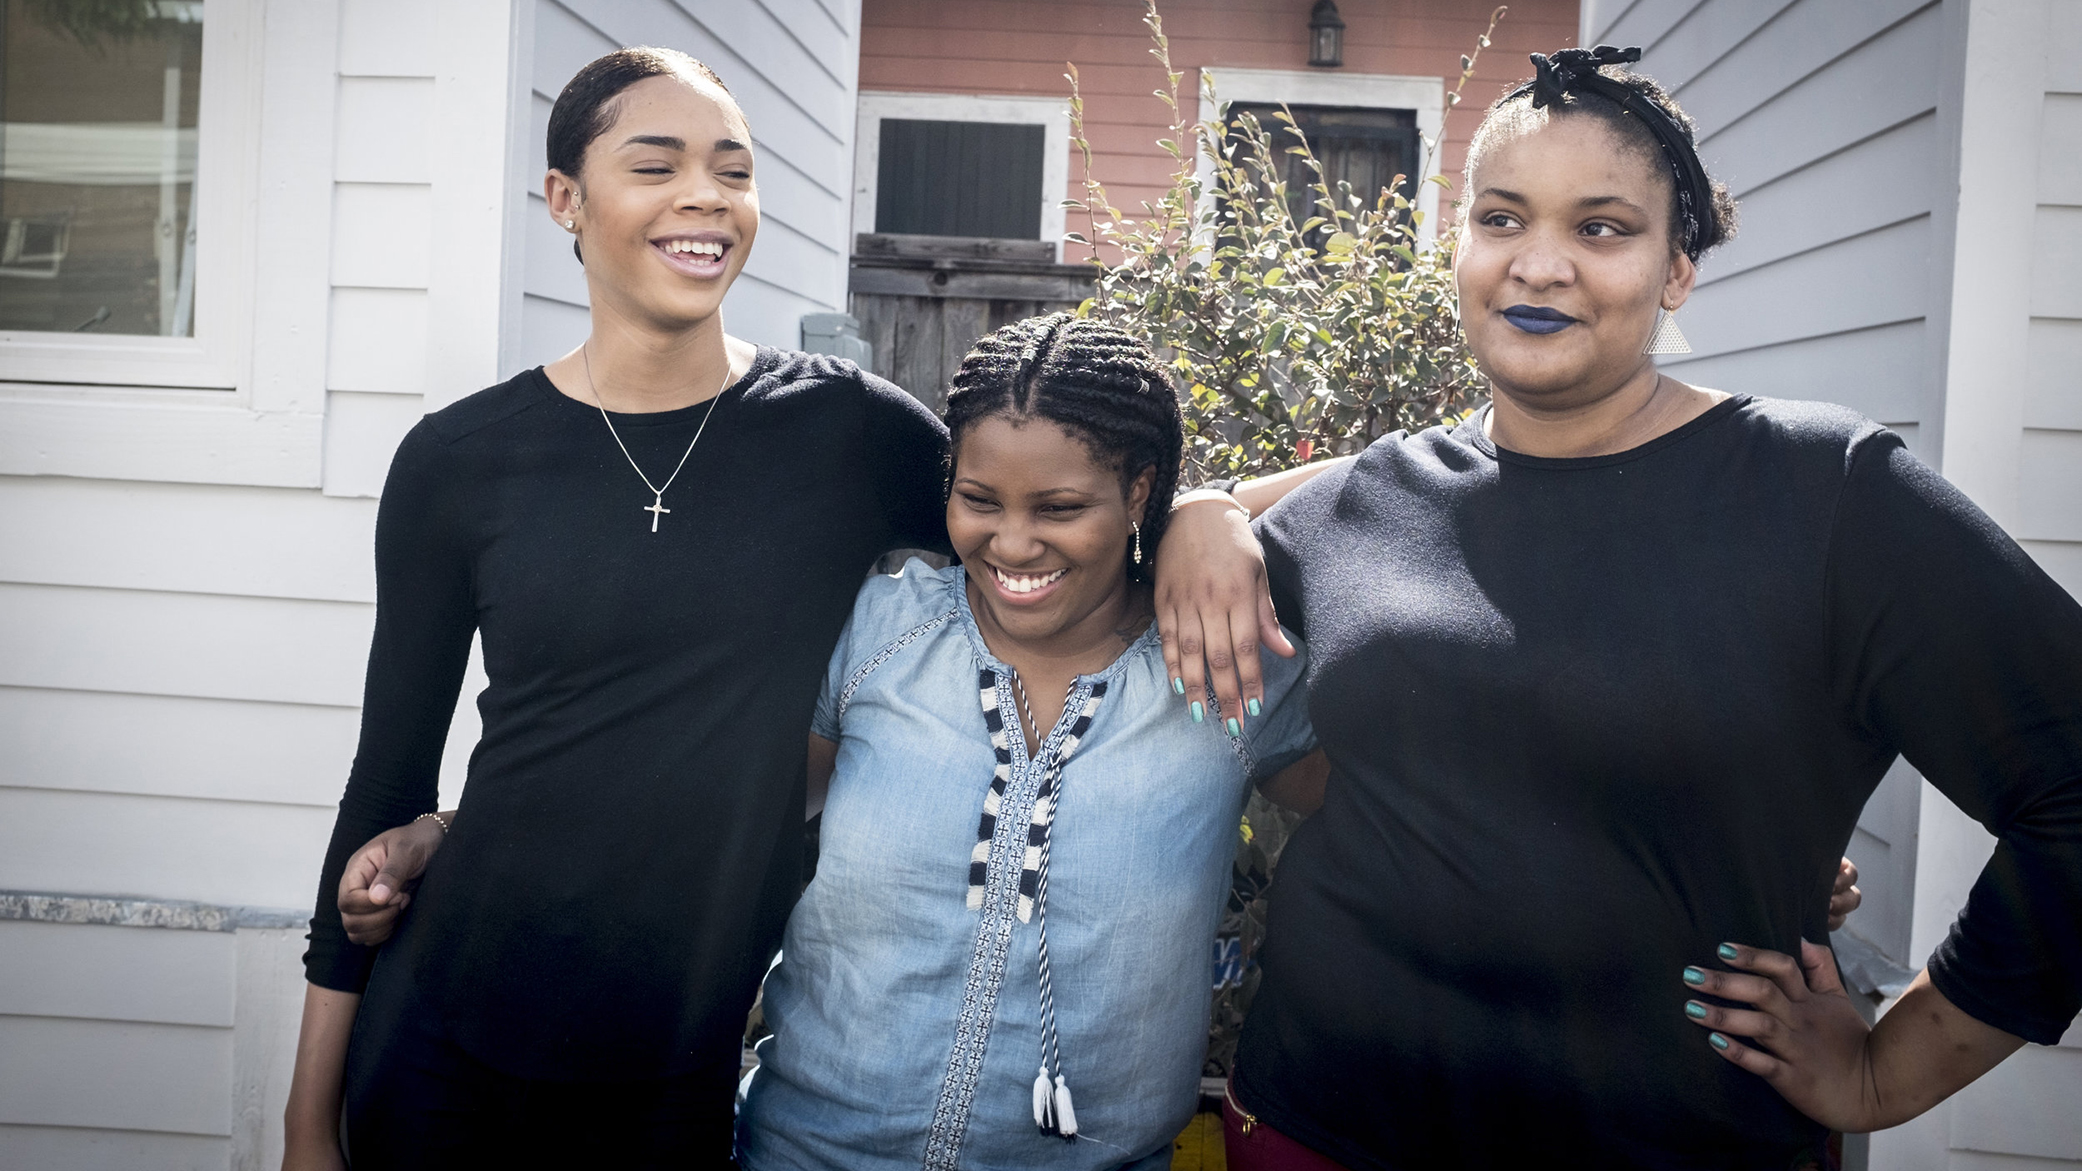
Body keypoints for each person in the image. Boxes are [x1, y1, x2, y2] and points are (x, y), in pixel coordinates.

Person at [279, 49, 1271, 1171]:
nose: (705, 194)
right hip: (444, 1032)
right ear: (565, 198)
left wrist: (1204, 512)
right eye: (656, 165)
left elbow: (1042, 498)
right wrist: (307, 1120)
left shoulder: (845, 435)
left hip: (677, 1064)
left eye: (732, 169)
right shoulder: (457, 462)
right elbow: (386, 778)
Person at [1225, 46, 2082, 1169]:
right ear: (1459, 245)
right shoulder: (1372, 496)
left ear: (1679, 268)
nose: (1541, 265)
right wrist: (1203, 511)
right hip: (1316, 1120)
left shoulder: (1824, 496)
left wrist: (1892, 1066)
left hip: (1680, 1140)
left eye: (1602, 228)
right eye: (1501, 218)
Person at [734, 314, 1320, 1170]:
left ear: (1141, 493)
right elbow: (733, 832)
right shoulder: (875, 636)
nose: (1011, 542)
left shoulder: (1217, 667)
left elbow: (1398, 478)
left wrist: (1216, 504)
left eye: (1061, 507)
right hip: (805, 1153)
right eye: (979, 500)